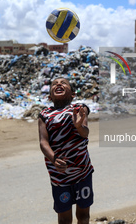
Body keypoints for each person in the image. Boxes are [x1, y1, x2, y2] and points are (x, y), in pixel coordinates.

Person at [38, 77, 94, 224]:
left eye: (63, 83)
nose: (58, 84)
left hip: (82, 171)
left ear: (73, 94)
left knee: (83, 216)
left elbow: (85, 133)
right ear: (50, 96)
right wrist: (54, 159)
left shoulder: (79, 109)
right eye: (54, 84)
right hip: (59, 176)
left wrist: (78, 126)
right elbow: (43, 142)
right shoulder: (44, 115)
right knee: (64, 219)